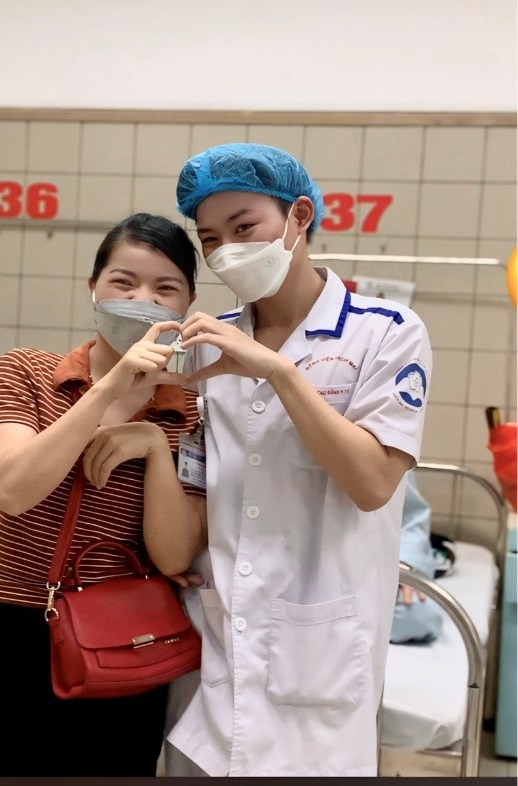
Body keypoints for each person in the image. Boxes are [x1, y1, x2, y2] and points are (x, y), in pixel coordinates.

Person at [164, 143, 433, 777]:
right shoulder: (205, 341)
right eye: (210, 238)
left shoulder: (386, 331)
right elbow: (196, 475)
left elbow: (373, 483)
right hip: (213, 639)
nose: (226, 251)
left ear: (299, 216)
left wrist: (279, 372)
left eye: (243, 227)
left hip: (321, 649)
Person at [0, 213, 207, 778]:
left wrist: (153, 447)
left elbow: (173, 556)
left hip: (124, 639)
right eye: (123, 282)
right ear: (93, 288)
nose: (142, 300)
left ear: (187, 304)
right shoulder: (25, 371)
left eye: (165, 289)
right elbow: (11, 491)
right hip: (6, 629)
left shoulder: (192, 411)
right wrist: (108, 388)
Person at [392, 471, 444, 644]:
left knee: (416, 616)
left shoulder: (386, 457)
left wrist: (403, 566)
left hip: (370, 566)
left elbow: (412, 519)